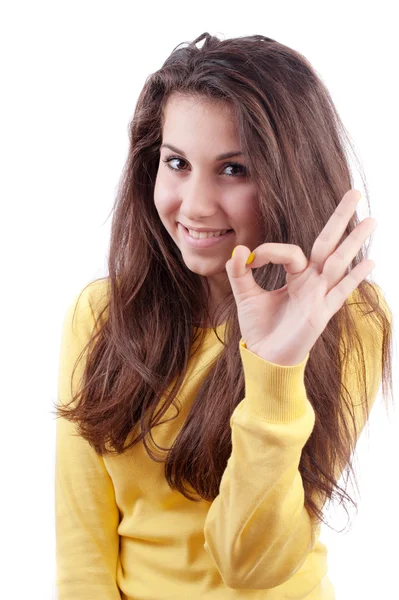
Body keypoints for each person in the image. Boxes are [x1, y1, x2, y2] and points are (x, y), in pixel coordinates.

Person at [53, 32, 393, 599]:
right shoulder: (101, 314)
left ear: (291, 177)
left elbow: (251, 565)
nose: (196, 203)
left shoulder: (349, 319)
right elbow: (82, 553)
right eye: (177, 163)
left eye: (234, 170)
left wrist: (275, 369)